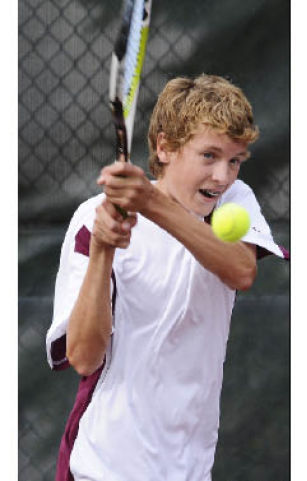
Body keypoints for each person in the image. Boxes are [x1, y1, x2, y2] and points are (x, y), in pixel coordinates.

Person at [46, 74, 288, 481]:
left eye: (235, 160)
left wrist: (152, 205)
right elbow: (84, 357)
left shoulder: (234, 201)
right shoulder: (93, 217)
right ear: (165, 147)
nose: (223, 176)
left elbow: (241, 271)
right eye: (209, 156)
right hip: (103, 466)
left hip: (189, 467)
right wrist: (103, 248)